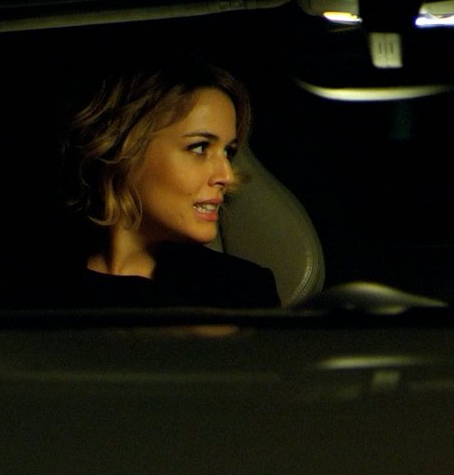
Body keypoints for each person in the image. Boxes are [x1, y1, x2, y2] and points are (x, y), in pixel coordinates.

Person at [42, 59, 283, 307]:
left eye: (228, 152)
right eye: (199, 147)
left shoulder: (242, 291)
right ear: (124, 147)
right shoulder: (36, 289)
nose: (227, 176)